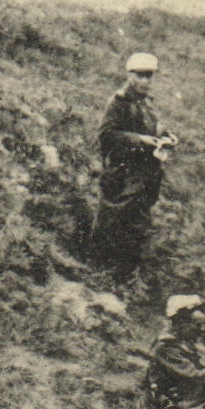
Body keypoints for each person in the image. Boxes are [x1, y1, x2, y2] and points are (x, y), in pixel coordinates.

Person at [89, 52, 176, 279]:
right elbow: (106, 134)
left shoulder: (147, 103)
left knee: (136, 225)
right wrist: (140, 140)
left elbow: (154, 127)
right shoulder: (119, 102)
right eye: (141, 76)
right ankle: (100, 272)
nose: (146, 81)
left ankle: (127, 276)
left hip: (144, 176)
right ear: (129, 75)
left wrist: (165, 136)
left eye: (149, 76)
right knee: (113, 222)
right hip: (122, 174)